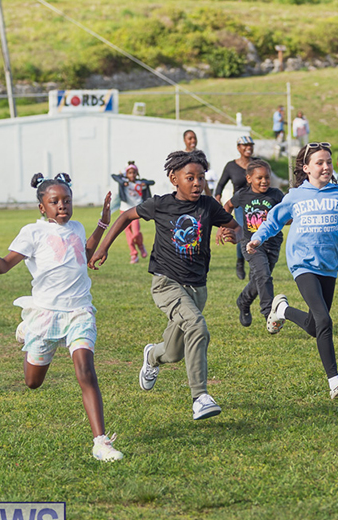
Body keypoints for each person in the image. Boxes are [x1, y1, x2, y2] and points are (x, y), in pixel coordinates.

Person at [0, 173, 123, 462]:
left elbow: (84, 252)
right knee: (32, 382)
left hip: (79, 311)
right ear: (42, 207)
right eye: (55, 202)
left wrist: (103, 221)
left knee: (85, 369)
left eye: (67, 200)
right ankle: (28, 329)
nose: (62, 206)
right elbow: (3, 267)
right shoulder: (32, 233)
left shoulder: (76, 227)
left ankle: (100, 442)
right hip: (45, 315)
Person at [90, 150, 240, 421]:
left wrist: (232, 233)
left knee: (172, 353)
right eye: (190, 177)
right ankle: (200, 397)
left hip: (197, 288)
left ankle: (152, 356)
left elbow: (235, 227)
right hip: (166, 283)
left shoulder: (208, 206)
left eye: (201, 178)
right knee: (197, 327)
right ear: (174, 179)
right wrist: (103, 248)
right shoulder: (159, 205)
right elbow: (125, 217)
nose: (197, 183)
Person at [248, 142, 338, 400]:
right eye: (319, 163)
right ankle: (335, 382)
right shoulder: (294, 197)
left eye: (328, 162)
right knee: (325, 321)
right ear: (306, 168)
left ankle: (281, 310)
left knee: (315, 326)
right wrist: (258, 238)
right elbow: (273, 221)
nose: (326, 167)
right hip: (302, 264)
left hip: (329, 266)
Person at [225, 159, 284, 327]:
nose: (264, 181)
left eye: (267, 177)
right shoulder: (243, 195)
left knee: (260, 278)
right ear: (249, 178)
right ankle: (269, 314)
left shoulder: (276, 195)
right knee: (263, 275)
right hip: (249, 242)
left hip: (272, 243)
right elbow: (227, 206)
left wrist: (278, 219)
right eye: (259, 178)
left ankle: (243, 302)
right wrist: (226, 226)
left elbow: (288, 218)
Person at [215, 136, 256, 280]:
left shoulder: (257, 163)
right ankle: (240, 261)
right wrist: (217, 197)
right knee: (243, 231)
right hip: (238, 204)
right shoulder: (231, 166)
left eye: (250, 144)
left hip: (256, 204)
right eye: (245, 145)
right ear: (238, 148)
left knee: (255, 234)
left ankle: (254, 265)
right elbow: (220, 184)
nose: (248, 147)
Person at [111, 162, 154, 264]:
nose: (132, 175)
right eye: (129, 173)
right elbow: (114, 176)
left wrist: (145, 184)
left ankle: (140, 245)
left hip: (136, 210)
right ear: (126, 174)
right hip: (124, 210)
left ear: (137, 173)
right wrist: (122, 178)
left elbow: (152, 182)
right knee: (128, 235)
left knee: (136, 233)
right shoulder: (124, 182)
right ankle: (134, 254)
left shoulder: (140, 183)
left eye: (134, 172)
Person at [183, 130, 212, 196]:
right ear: (184, 140)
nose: (193, 141)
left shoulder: (200, 156)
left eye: (194, 138)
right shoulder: (181, 157)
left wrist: (210, 197)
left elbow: (203, 178)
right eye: (190, 139)